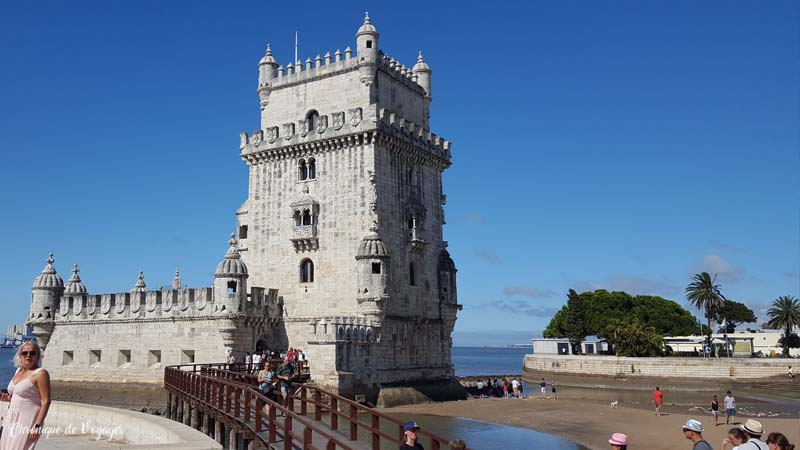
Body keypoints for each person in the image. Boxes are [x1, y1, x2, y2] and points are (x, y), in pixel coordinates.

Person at [0, 341, 52, 450]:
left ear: (38, 356)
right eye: (25, 353)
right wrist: (7, 398)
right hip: (11, 418)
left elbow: (46, 401)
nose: (28, 355)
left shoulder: (41, 373)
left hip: (27, 420)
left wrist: (37, 426)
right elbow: (21, 395)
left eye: (33, 353)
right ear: (20, 356)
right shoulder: (18, 371)